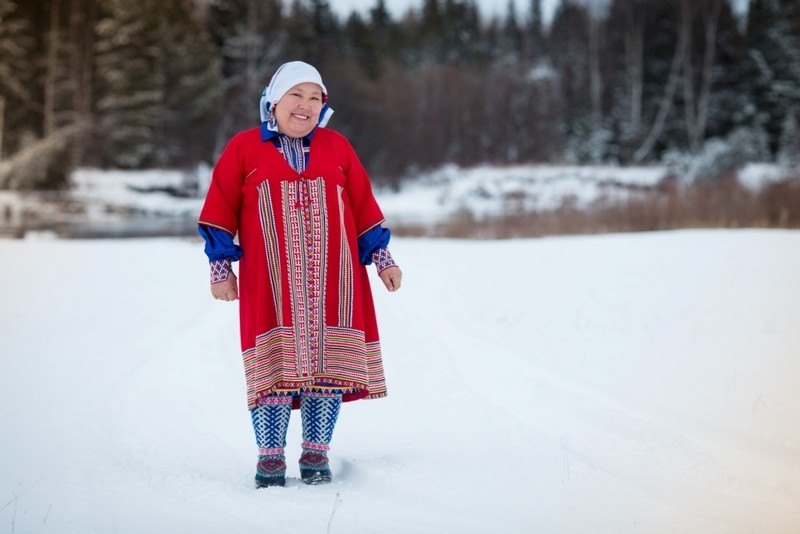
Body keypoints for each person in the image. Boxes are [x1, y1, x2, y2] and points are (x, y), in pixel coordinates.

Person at [198, 61, 402, 488]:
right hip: (268, 283)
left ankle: (315, 455)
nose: (305, 106)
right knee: (274, 366)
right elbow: (219, 210)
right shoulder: (244, 148)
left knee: (326, 368)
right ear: (274, 100)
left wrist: (383, 260)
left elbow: (364, 207)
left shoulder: (338, 147)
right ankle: (270, 459)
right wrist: (221, 268)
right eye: (297, 95)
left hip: (337, 281)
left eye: (315, 98)